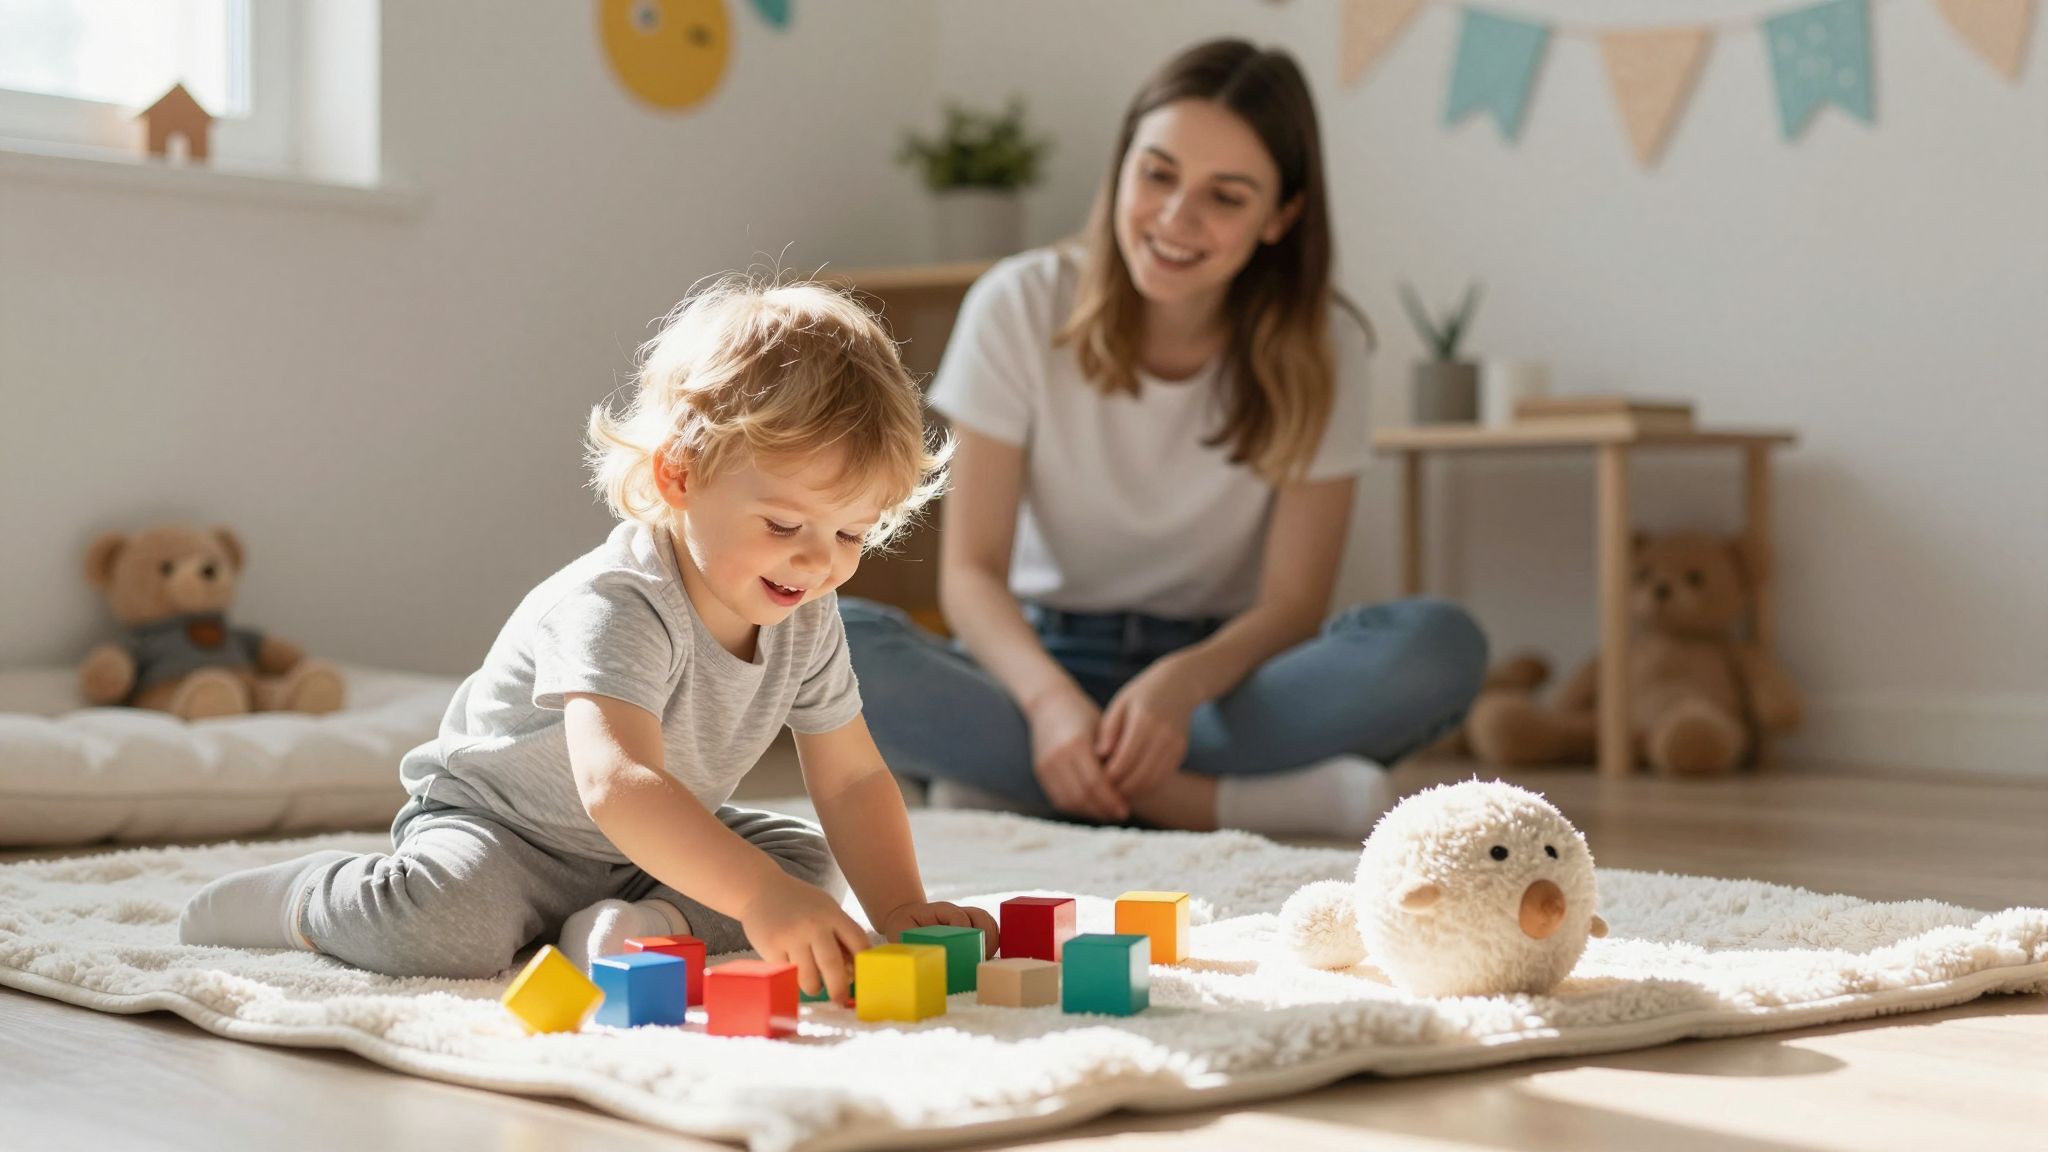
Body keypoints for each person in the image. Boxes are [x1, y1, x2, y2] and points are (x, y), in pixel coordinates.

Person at [181, 278, 993, 1003]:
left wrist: (895, 909)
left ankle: (630, 926)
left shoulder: (807, 616)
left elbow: (851, 781)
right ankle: (300, 898)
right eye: (785, 524)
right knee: (446, 931)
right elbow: (621, 783)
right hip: (505, 833)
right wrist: (754, 898)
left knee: (803, 868)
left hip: (644, 855)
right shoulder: (620, 600)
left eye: (852, 534)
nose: (819, 563)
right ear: (679, 476)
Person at [842, 39, 1488, 839]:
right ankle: (1209, 801)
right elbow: (972, 575)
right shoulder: (1017, 303)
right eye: (1158, 174)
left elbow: (1294, 602)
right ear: (1121, 170)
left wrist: (1180, 688)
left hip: (1223, 683)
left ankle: (1041, 790)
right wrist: (1048, 704)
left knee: (1440, 647)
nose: (1177, 218)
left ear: (1281, 216)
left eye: (1227, 196)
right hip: (1040, 664)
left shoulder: (1324, 345)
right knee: (826, 639)